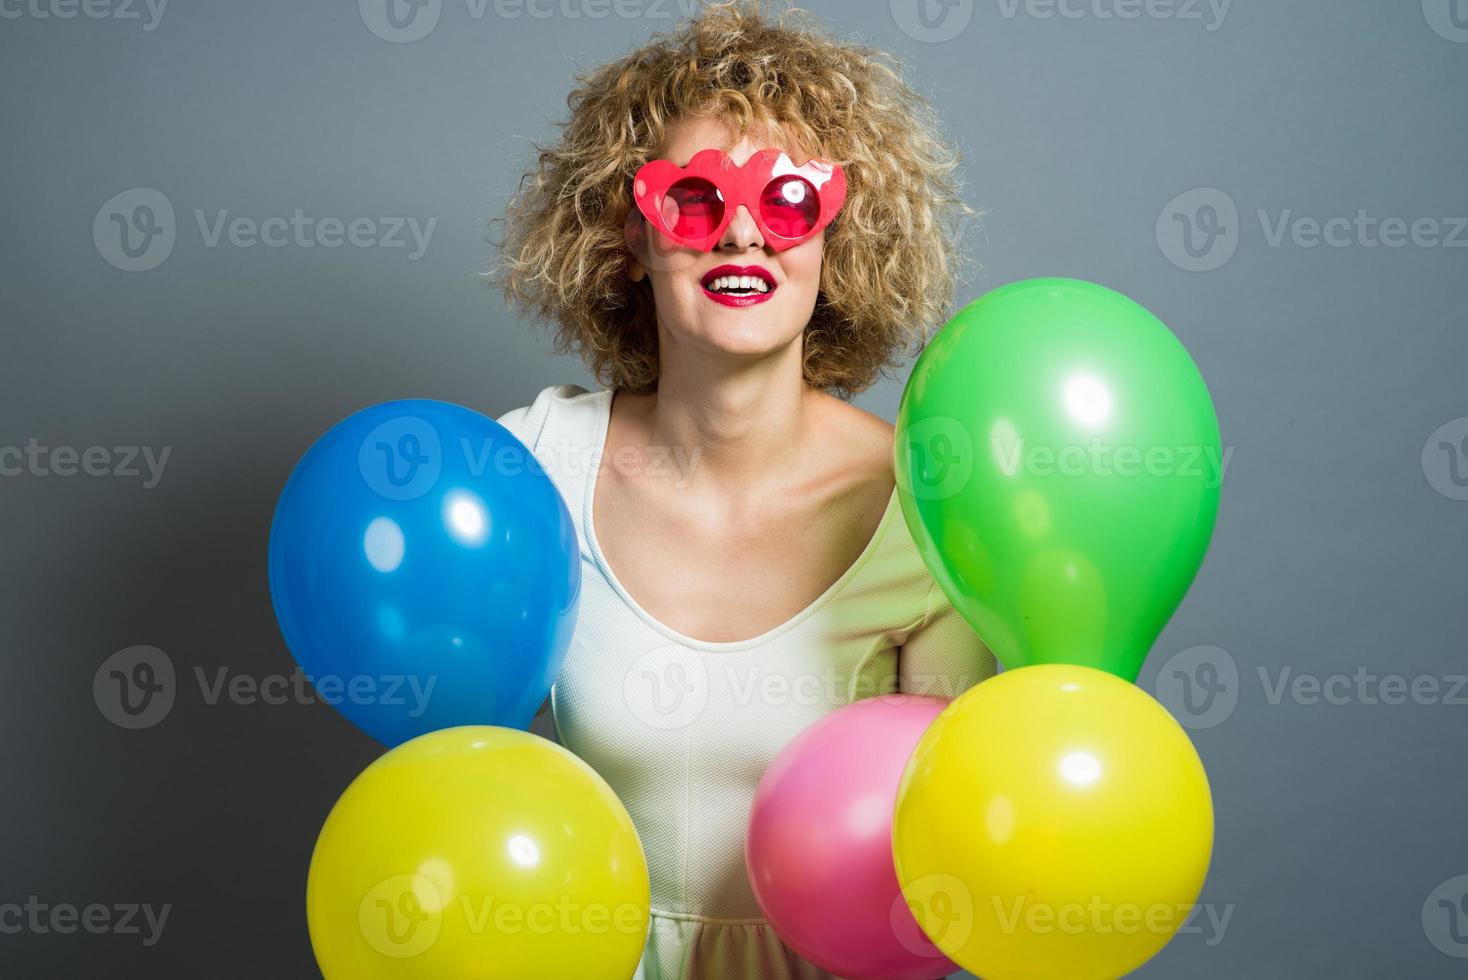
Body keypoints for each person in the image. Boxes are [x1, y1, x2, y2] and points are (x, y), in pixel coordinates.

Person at [487, 2, 995, 976]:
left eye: (790, 201)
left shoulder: (925, 512)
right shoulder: (533, 471)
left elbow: (950, 855)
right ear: (631, 238)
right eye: (693, 200)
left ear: (833, 239)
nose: (743, 237)